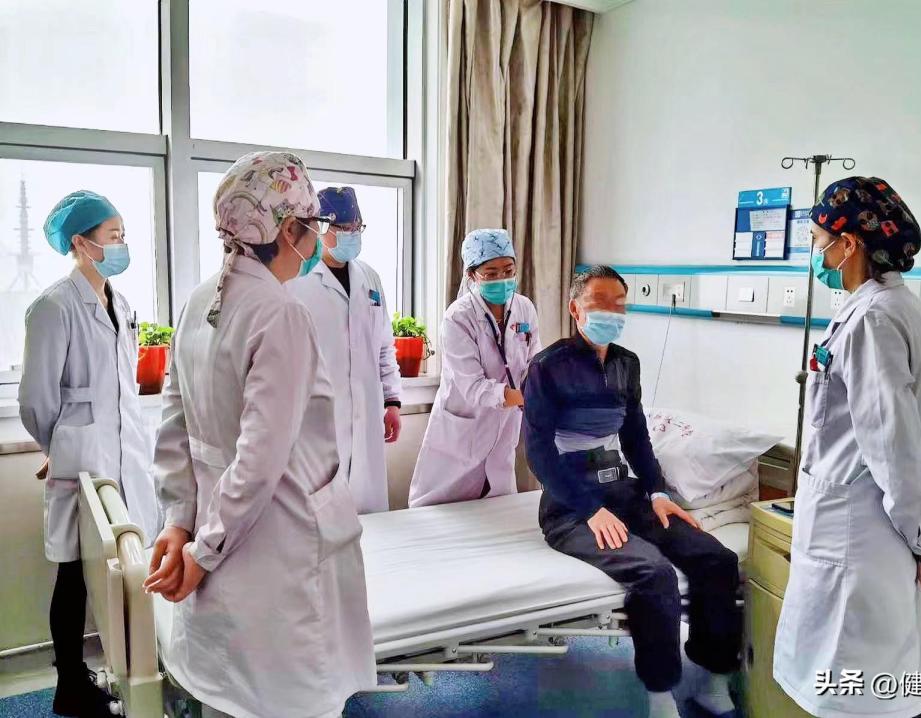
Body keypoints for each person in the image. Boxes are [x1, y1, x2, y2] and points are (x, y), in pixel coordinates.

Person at [143, 152, 375, 718]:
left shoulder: (199, 301)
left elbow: (175, 425)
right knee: (284, 699)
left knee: (230, 696)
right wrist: (203, 549)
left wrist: (179, 521)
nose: (315, 240)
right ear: (287, 229)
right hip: (276, 541)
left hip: (220, 528)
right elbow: (260, 458)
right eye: (311, 226)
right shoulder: (278, 313)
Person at [773, 177, 921, 718]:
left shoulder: (872, 319)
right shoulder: (907, 311)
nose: (816, 253)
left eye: (817, 240)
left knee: (849, 690)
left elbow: (894, 446)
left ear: (848, 243)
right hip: (883, 535)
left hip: (859, 535)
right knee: (874, 688)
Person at [524, 265, 741, 718]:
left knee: (717, 559)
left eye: (619, 303)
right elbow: (539, 453)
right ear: (575, 309)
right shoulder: (547, 366)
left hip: (625, 493)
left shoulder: (627, 363)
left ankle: (715, 678)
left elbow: (637, 438)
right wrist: (589, 510)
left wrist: (658, 493)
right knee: (654, 573)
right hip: (570, 506)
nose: (611, 311)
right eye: (599, 302)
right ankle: (660, 696)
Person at [19, 190, 161, 718]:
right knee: (76, 575)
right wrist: (59, 445)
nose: (121, 244)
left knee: (128, 567)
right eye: (112, 235)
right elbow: (36, 400)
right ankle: (70, 684)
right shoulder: (54, 307)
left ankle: (137, 670)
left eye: (123, 234)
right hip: (82, 460)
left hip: (126, 456)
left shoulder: (120, 304)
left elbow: (122, 390)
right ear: (80, 243)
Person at [288, 186, 402, 514]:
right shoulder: (296, 281)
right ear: (321, 228)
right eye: (344, 227)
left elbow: (384, 346)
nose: (353, 234)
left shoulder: (370, 278)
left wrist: (392, 402)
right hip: (318, 415)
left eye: (357, 227)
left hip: (367, 411)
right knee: (320, 511)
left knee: (369, 511)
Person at [408, 228, 541, 507]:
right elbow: (472, 387)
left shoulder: (524, 309)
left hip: (503, 429)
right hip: (463, 431)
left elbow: (534, 364)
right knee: (440, 511)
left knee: (498, 507)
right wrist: (523, 398)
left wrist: (542, 388)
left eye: (508, 270)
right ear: (471, 275)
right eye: (491, 274)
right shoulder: (458, 318)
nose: (502, 279)